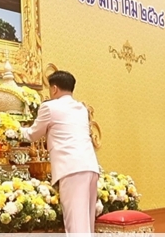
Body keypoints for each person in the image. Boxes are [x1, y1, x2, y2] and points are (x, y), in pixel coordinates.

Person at [21, 71, 100, 234]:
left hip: (71, 168)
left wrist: (13, 129)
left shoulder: (49, 107)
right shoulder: (82, 108)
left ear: (54, 88)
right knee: (87, 225)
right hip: (90, 167)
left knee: (76, 226)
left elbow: (32, 135)